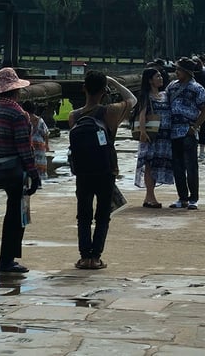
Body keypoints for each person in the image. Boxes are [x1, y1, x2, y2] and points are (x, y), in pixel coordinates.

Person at [69, 71, 136, 269]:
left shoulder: (74, 116)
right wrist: (114, 81)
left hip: (82, 172)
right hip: (106, 170)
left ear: (84, 88)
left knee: (83, 215)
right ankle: (96, 257)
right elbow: (132, 99)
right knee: (102, 216)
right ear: (104, 91)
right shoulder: (110, 112)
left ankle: (84, 256)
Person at [0, 67, 41, 273]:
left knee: (12, 212)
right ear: (16, 91)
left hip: (1, 166)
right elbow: (24, 147)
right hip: (16, 169)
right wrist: (34, 173)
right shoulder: (18, 113)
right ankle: (7, 260)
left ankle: (6, 258)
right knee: (16, 216)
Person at [166, 57, 205, 207]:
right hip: (173, 130)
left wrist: (195, 126)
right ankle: (182, 197)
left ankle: (194, 198)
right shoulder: (171, 86)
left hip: (188, 130)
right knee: (177, 167)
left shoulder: (197, 88)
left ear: (187, 72)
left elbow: (204, 110)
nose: (176, 72)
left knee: (191, 166)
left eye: (178, 69)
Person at [134, 67, 174, 208]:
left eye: (161, 76)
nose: (160, 78)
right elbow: (142, 114)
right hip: (152, 136)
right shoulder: (146, 96)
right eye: (157, 76)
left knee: (157, 165)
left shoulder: (165, 95)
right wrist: (143, 132)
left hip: (164, 137)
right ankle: (150, 196)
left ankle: (148, 197)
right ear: (150, 80)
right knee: (149, 165)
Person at [22, 100, 50, 180]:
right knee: (39, 164)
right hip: (39, 144)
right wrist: (47, 145)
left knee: (29, 164)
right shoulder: (39, 120)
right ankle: (39, 180)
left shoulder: (23, 120)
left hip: (28, 144)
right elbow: (46, 133)